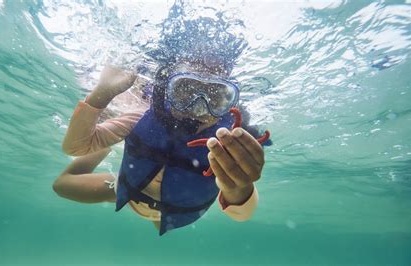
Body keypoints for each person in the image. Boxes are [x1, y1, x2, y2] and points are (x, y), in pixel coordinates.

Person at [53, 56, 269, 235]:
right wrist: (104, 92)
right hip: (126, 190)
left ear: (229, 105)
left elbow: (242, 214)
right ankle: (107, 146)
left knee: (160, 224)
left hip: (169, 213)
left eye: (215, 97)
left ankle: (110, 142)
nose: (198, 109)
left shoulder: (225, 143)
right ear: (167, 90)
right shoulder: (141, 118)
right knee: (61, 185)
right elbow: (75, 147)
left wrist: (239, 185)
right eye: (185, 90)